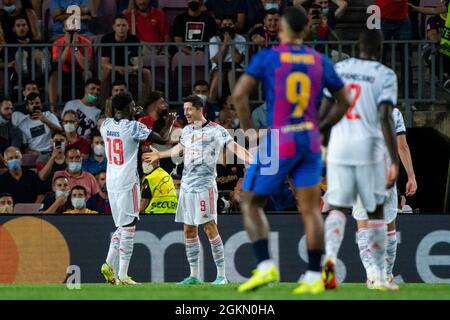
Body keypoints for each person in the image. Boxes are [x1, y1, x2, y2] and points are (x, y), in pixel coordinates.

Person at [231, 6, 350, 294]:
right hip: (309, 140)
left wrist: (248, 131)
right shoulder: (319, 59)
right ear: (307, 30)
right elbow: (344, 101)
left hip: (280, 139)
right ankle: (312, 274)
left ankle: (264, 265)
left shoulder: (269, 57)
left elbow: (238, 95)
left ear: (280, 29)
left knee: (250, 201)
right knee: (310, 209)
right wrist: (320, 127)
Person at [320, 29, 400, 292]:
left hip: (340, 147)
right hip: (368, 149)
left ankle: (328, 265)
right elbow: (386, 116)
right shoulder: (385, 75)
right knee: (374, 212)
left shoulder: (340, 68)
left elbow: (327, 106)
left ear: (358, 45)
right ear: (379, 49)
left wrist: (320, 139)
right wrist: (394, 162)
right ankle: (377, 276)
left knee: (338, 208)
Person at [143, 95, 252, 285]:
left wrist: (252, 160)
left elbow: (234, 146)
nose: (185, 114)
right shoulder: (186, 130)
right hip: (186, 188)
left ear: (200, 109)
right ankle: (194, 275)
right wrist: (160, 154)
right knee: (189, 230)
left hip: (205, 187)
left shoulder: (216, 131)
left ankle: (221, 275)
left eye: (189, 110)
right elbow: (179, 149)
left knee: (210, 229)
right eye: (184, 110)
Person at [99, 92, 166, 285]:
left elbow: (120, 126)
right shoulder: (135, 127)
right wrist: (168, 122)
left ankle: (108, 264)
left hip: (112, 181)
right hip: (128, 181)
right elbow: (161, 139)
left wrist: (131, 115)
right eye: (133, 104)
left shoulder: (105, 125)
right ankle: (123, 275)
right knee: (129, 227)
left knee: (122, 226)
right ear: (129, 107)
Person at [352, 108, 417, 288]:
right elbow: (402, 146)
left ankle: (372, 275)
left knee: (364, 226)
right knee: (389, 228)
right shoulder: (394, 112)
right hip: (386, 176)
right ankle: (386, 275)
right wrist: (411, 176)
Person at [100, 14, 151, 102]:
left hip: (129, 69)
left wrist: (132, 69)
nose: (121, 28)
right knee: (105, 72)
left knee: (146, 73)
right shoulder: (106, 39)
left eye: (124, 25)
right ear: (114, 27)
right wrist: (118, 68)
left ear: (128, 27)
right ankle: (103, 104)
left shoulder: (134, 39)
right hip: (113, 69)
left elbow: (138, 63)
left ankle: (145, 105)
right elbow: (104, 63)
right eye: (118, 25)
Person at [49, 25, 93, 111]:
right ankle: (53, 109)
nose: (71, 33)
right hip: (63, 72)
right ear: (64, 29)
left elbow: (86, 66)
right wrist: (68, 46)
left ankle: (90, 105)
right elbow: (57, 65)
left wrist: (75, 47)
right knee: (53, 75)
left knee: (88, 75)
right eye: (69, 30)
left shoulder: (86, 42)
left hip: (80, 71)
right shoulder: (57, 43)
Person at [209, 17, 246, 103]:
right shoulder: (214, 39)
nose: (227, 27)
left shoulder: (241, 39)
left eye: (230, 25)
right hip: (219, 68)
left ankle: (236, 106)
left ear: (235, 26)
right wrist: (225, 44)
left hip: (236, 68)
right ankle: (210, 106)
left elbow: (238, 59)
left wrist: (231, 44)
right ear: (220, 26)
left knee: (231, 73)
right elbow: (217, 60)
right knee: (219, 73)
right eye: (224, 25)